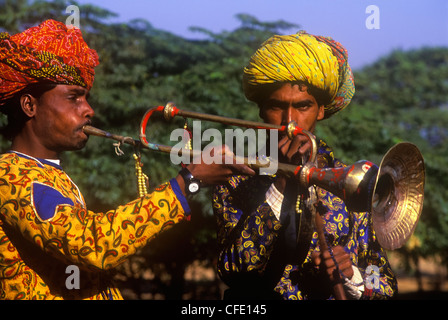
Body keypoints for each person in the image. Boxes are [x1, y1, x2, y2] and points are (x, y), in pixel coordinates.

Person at [0, 19, 254, 300]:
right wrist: (188, 182)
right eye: (74, 98)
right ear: (29, 106)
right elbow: (93, 245)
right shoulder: (10, 177)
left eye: (86, 98)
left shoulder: (48, 174)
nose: (89, 110)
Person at [213, 31, 398, 300]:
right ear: (262, 111)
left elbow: (384, 284)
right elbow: (234, 268)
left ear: (320, 110)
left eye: (302, 106)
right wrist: (282, 181)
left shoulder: (357, 182)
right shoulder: (234, 180)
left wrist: (353, 276)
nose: (289, 121)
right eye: (277, 107)